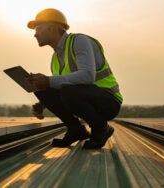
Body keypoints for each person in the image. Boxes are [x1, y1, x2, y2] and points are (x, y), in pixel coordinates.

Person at [25, 8, 123, 149]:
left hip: (108, 102)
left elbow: (87, 76)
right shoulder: (56, 57)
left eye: (38, 29)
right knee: (42, 89)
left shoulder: (79, 41)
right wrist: (43, 102)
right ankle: (76, 130)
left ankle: (101, 128)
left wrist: (49, 80)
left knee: (66, 90)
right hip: (85, 97)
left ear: (52, 28)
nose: (35, 35)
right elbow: (60, 84)